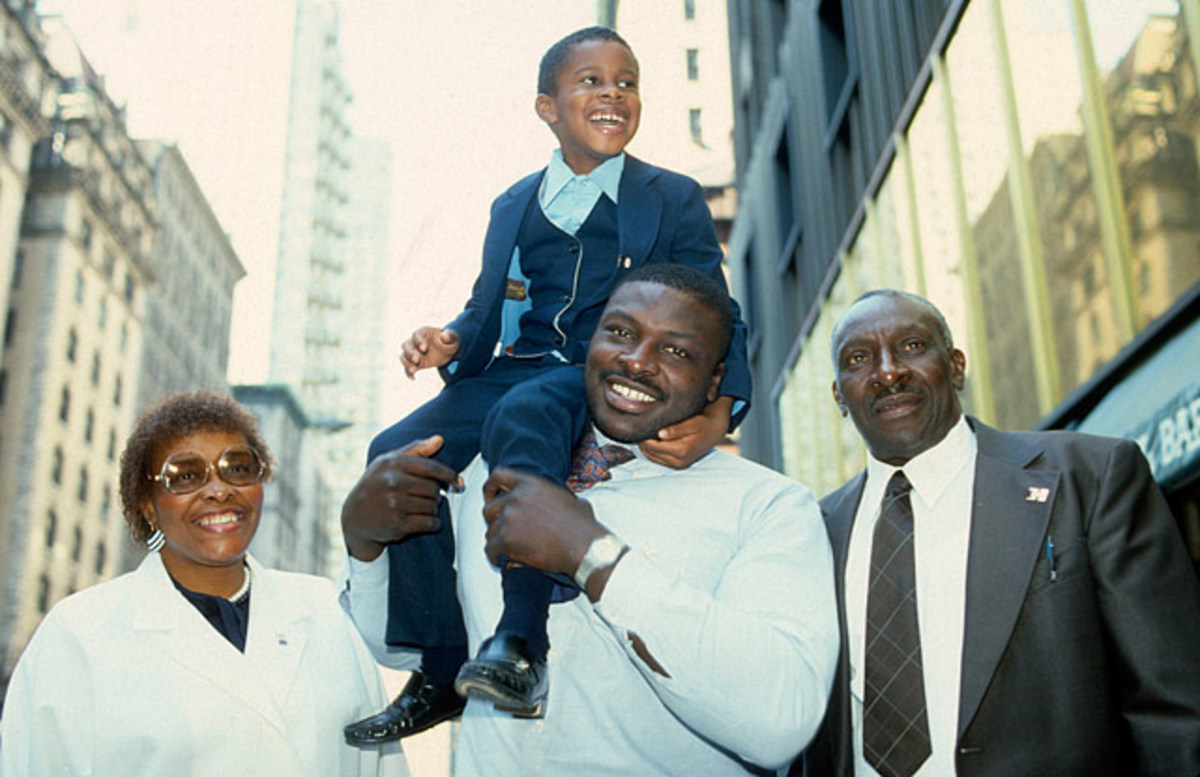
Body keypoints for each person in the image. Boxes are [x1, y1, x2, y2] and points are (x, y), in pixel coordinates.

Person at [345, 26, 752, 743]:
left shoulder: (672, 196)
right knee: (397, 449)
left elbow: (720, 310)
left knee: (526, 417)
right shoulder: (513, 203)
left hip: (602, 371)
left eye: (625, 82)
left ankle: (522, 639)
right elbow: (485, 307)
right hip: (514, 362)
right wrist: (448, 339)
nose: (612, 94)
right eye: (590, 81)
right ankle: (439, 665)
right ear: (547, 107)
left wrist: (723, 407)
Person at [341, 265, 837, 774]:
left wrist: (591, 554)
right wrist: (367, 547)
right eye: (620, 333)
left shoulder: (768, 506)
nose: (637, 362)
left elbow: (781, 721)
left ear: (715, 381)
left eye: (675, 350)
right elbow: (404, 651)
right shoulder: (481, 473)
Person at [799, 289, 1200, 776]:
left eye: (911, 347)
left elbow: (1173, 706)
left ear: (956, 366)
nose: (888, 373)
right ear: (839, 394)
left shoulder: (1089, 477)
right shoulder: (813, 533)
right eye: (860, 359)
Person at [0, 391, 407, 777]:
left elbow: (381, 764)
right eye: (185, 475)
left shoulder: (326, 610)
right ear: (148, 505)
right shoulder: (78, 633)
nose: (218, 490)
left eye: (238, 467)